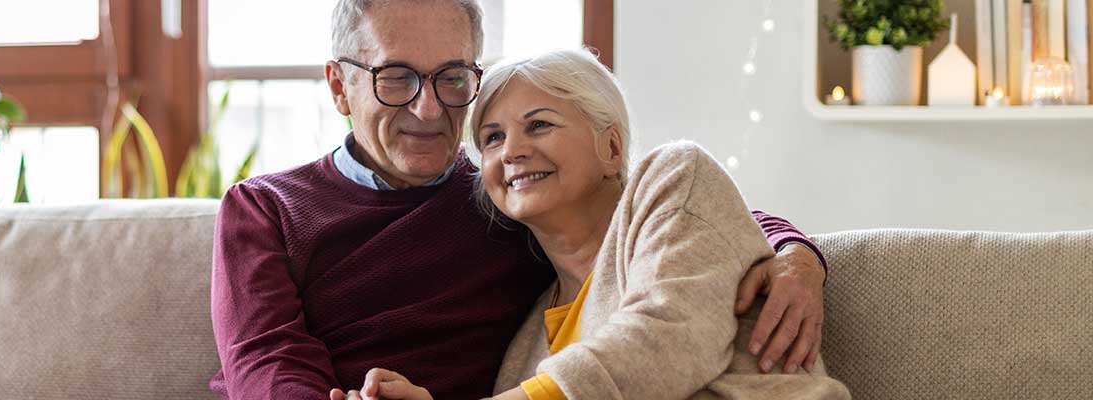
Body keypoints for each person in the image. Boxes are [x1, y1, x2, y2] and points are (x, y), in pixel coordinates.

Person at [211, 1, 829, 399]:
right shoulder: (266, 208)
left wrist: (794, 252)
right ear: (340, 86)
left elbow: (676, 211)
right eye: (395, 77)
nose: (429, 109)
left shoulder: (506, 200)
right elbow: (267, 360)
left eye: (452, 78)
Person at [338, 49, 849, 400]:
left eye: (538, 124)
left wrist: (797, 251)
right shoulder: (527, 343)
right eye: (492, 138)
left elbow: (666, 338)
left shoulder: (674, 179)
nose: (511, 150)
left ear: (611, 147)